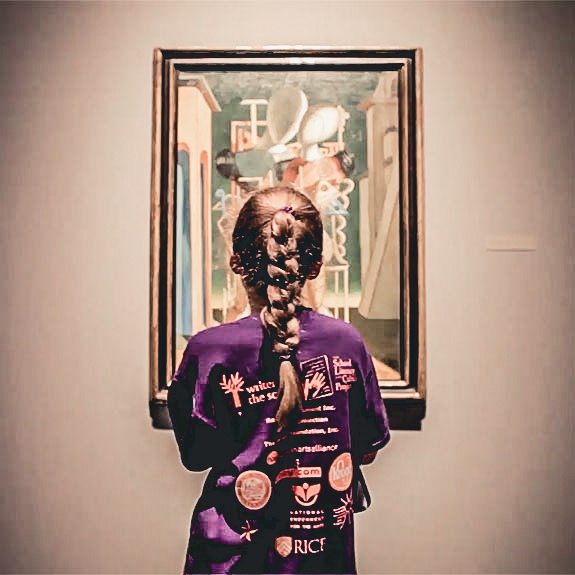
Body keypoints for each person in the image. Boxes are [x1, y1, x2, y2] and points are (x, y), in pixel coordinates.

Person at [168, 186, 390, 574]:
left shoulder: (208, 351)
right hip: (322, 560)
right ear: (315, 265)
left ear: (236, 261)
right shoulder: (347, 343)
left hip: (230, 561)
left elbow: (197, 455)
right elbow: (367, 448)